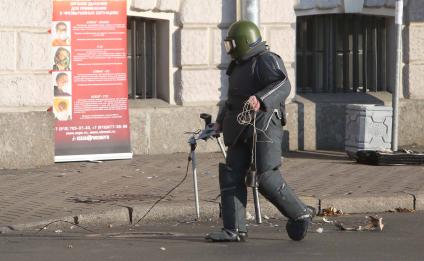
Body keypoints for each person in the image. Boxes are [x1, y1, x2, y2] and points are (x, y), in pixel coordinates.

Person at [205, 20, 315, 242]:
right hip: (239, 128)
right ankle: (234, 229)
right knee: (232, 174)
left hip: (264, 127)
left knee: (265, 176)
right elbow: (232, 101)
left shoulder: (266, 60)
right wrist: (218, 123)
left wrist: (261, 98)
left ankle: (300, 213)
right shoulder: (237, 66)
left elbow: (282, 85)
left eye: (233, 44)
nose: (230, 49)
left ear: (245, 41)